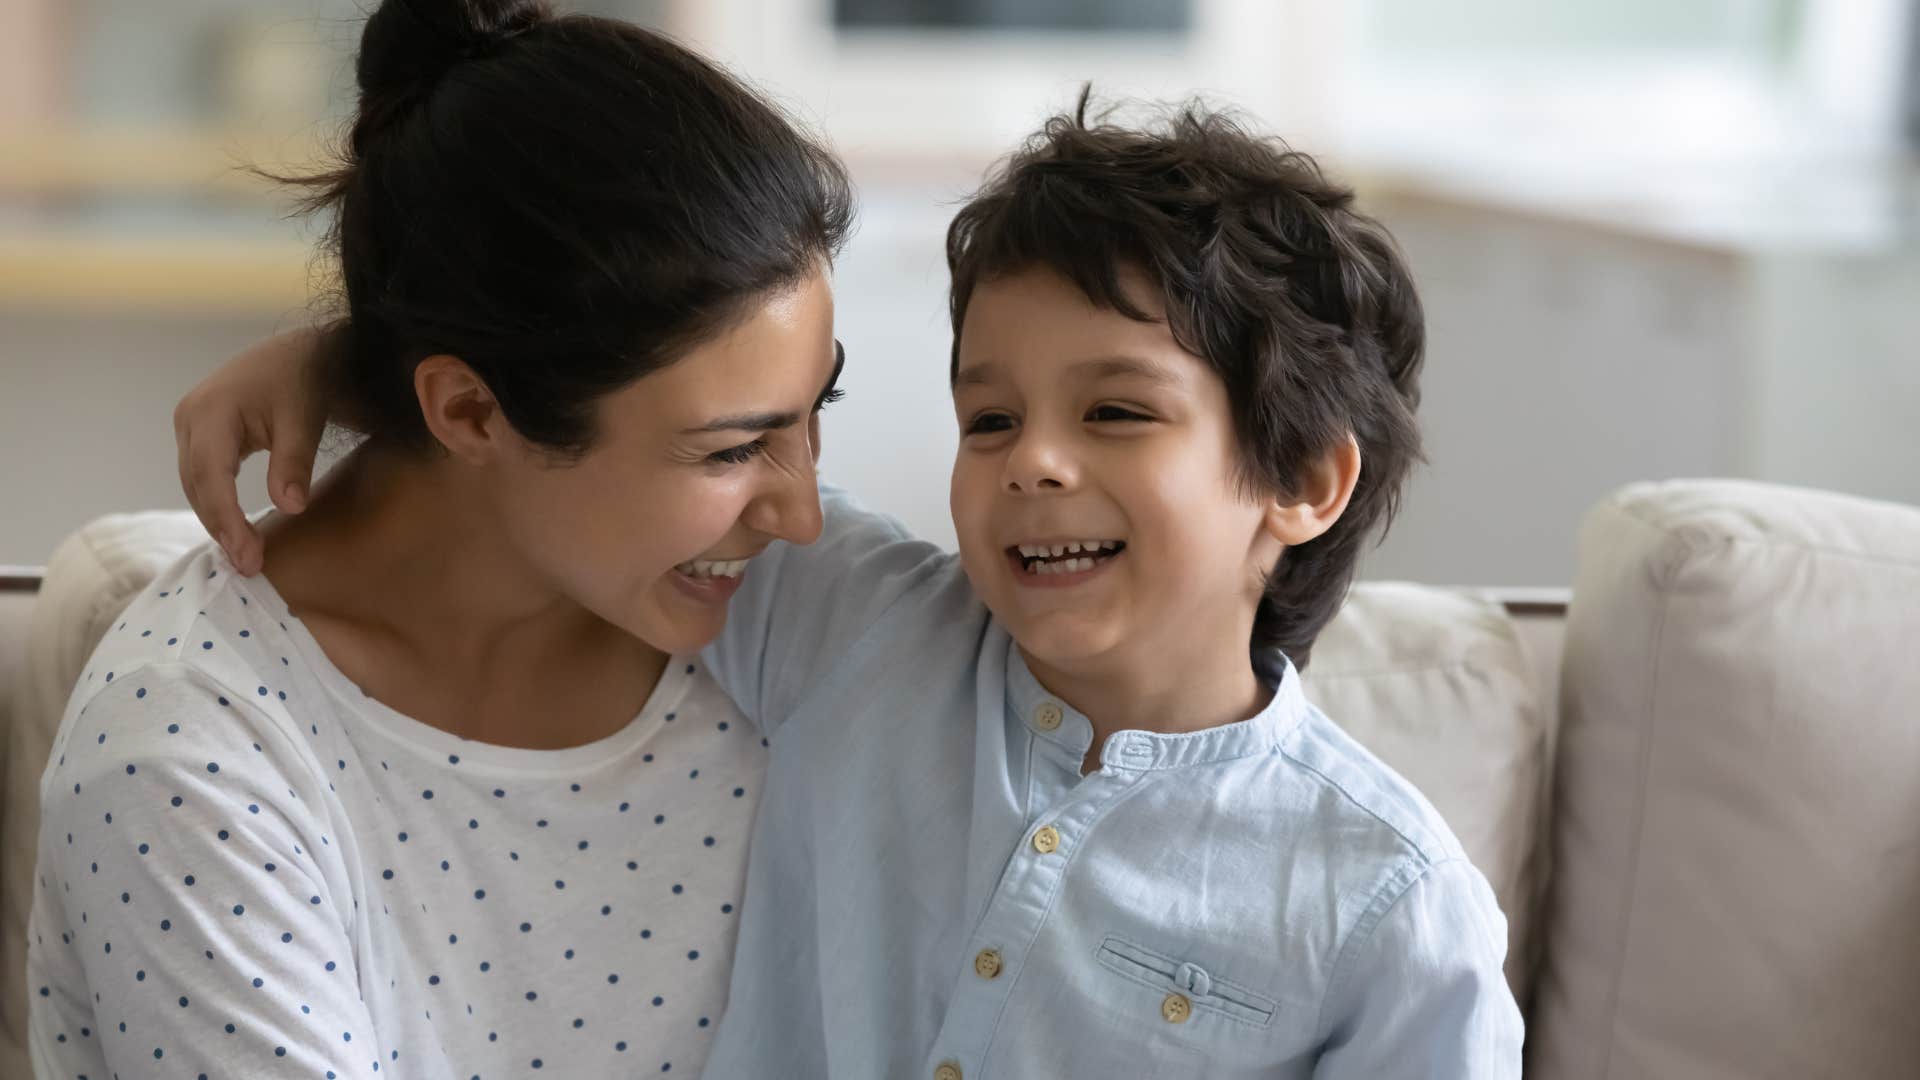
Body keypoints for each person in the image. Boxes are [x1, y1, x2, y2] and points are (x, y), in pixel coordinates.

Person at [173, 94, 1525, 1077]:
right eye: (987, 418)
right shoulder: (857, 626)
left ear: (1302, 482)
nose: (1032, 463)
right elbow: (594, 460)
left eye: (1116, 413)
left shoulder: (1386, 904)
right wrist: (359, 369)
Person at [25, 1, 852, 1077]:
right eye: (731, 451)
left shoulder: (795, 624)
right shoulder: (192, 755)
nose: (804, 513)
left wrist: (348, 362)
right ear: (466, 414)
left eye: (814, 411)